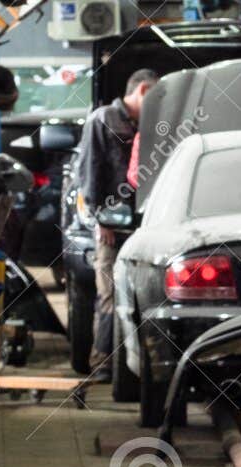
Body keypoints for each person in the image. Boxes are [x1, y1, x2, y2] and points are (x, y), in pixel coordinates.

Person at [78, 68, 158, 378]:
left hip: (142, 225)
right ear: (142, 91)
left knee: (141, 296)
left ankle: (136, 364)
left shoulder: (148, 125)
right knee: (110, 293)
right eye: (154, 96)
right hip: (111, 226)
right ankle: (102, 364)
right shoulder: (103, 120)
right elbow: (89, 172)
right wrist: (101, 220)